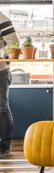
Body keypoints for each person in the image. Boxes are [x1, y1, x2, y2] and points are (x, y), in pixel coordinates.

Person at [0, 11, 19, 158]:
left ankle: (4, 147)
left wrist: (2, 56)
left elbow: (13, 42)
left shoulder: (2, 19)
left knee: (2, 108)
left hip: (1, 71)